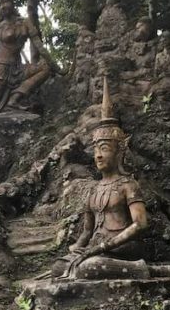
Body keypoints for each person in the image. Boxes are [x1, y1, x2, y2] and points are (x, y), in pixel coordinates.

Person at [53, 79, 149, 280]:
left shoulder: (128, 185)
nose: (98, 155)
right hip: (96, 248)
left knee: (87, 268)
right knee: (59, 267)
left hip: (123, 248)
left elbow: (140, 224)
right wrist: (78, 248)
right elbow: (88, 230)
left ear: (119, 153)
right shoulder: (94, 189)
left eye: (104, 149)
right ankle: (88, 262)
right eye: (96, 149)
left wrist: (103, 246)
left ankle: (144, 269)